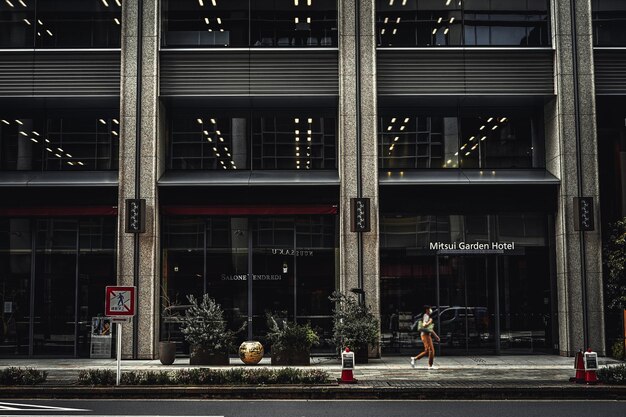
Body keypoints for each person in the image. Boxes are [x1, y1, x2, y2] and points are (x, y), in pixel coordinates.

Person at [411, 305, 440, 369]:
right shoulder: (426, 316)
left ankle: (415, 359)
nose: (431, 310)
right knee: (431, 350)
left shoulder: (426, 316)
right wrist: (430, 321)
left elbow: (430, 329)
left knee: (427, 350)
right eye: (430, 309)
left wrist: (435, 336)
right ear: (427, 310)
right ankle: (430, 365)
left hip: (426, 335)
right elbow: (424, 325)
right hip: (425, 335)